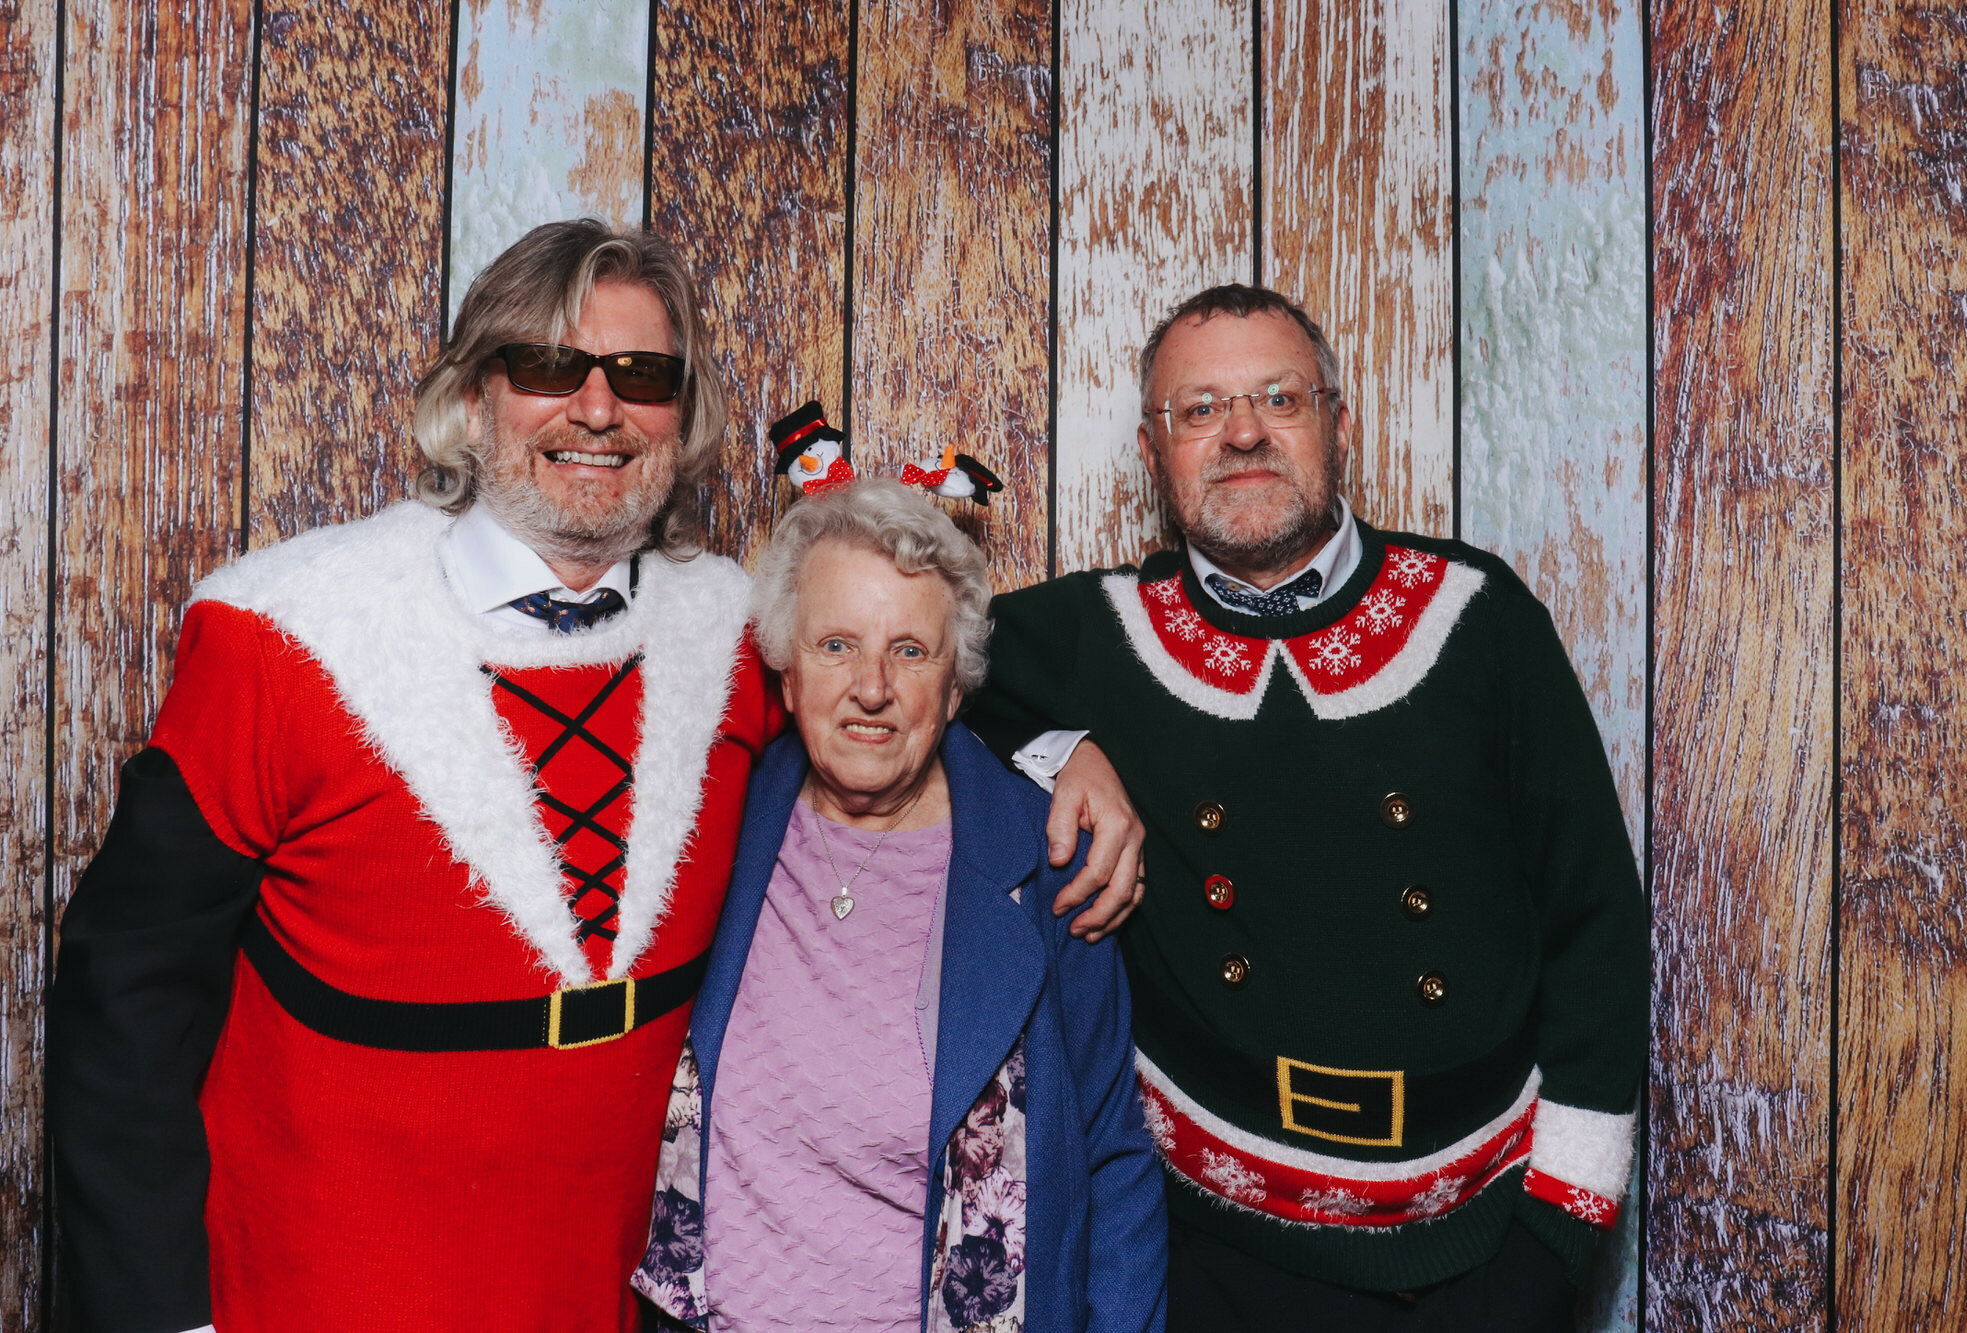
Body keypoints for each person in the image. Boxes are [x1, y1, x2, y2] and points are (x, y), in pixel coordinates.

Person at [48, 219, 792, 1333]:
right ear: (472, 396)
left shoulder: (741, 633)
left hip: (601, 1296)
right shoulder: (282, 632)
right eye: (548, 365)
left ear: (682, 421)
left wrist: (1059, 759)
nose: (597, 409)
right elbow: (123, 1008)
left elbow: (913, 697)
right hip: (316, 1292)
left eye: (641, 375)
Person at [967, 284, 1648, 1330]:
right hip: (1209, 1258)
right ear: (1154, 455)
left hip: (1484, 1252)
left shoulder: (1477, 614)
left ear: (1338, 423)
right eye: (1197, 410)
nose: (1240, 432)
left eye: (1277, 397)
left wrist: (1558, 1237)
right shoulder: (1094, 631)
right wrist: (1069, 748)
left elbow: (1594, 925)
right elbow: (879, 672)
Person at [631, 479, 1168, 1332]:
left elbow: (1114, 1158)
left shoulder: (1050, 859)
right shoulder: (719, 812)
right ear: (788, 669)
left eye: (911, 651)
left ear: (956, 687)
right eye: (838, 644)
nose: (872, 687)